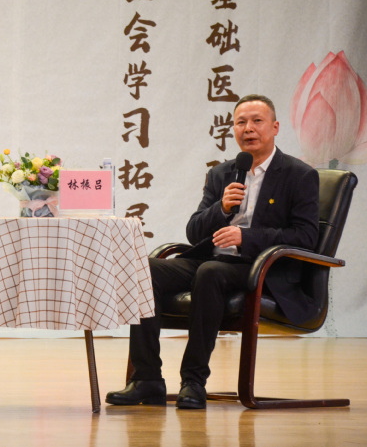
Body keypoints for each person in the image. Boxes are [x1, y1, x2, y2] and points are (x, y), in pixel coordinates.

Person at [105, 94, 319, 410]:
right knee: (144, 268)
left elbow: (306, 236)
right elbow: (194, 232)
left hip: (261, 269)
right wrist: (221, 209)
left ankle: (194, 381)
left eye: (257, 121)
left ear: (275, 127)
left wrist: (246, 237)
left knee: (211, 272)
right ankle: (147, 378)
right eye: (241, 122)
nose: (248, 128)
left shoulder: (298, 174)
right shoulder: (222, 174)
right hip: (212, 259)